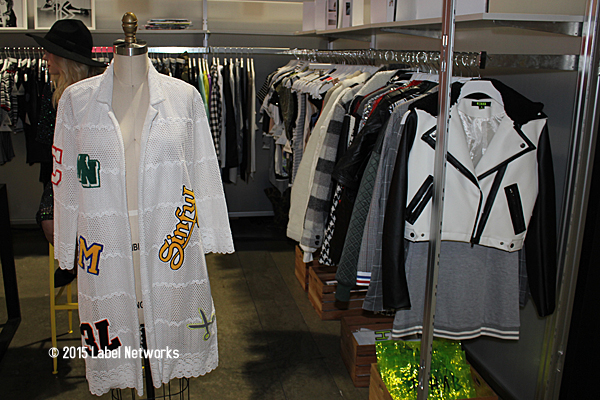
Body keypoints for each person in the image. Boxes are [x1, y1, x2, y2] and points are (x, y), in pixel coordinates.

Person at [27, 19, 106, 287]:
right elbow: (48, 146)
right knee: (50, 220)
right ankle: (79, 268)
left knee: (96, 217)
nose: (45, 58)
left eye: (49, 52)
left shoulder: (100, 91)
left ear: (65, 58)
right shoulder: (53, 92)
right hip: (62, 170)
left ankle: (89, 270)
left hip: (95, 170)